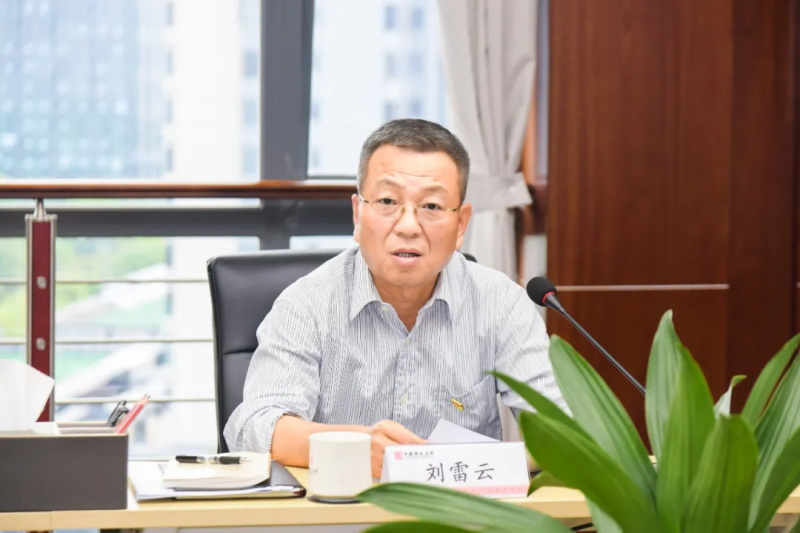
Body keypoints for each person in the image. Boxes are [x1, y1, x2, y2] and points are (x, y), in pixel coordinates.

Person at [225, 118, 568, 478]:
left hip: (460, 508)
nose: (407, 226)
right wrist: (355, 446)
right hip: (341, 506)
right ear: (358, 214)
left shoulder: (502, 305)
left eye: (431, 206)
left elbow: (567, 433)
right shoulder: (306, 304)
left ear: (461, 225)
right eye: (387, 201)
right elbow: (254, 430)